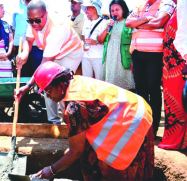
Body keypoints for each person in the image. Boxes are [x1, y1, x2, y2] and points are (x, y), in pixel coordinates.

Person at [24, 61, 154, 180]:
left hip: (133, 121)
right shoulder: (75, 81)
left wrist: (51, 170)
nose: (47, 96)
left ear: (60, 85)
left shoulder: (74, 108)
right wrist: (26, 87)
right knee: (89, 154)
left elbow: (76, 151)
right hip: (139, 107)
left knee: (117, 165)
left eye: (48, 91)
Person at [16, 0, 83, 125]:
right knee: (47, 83)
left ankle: (69, 121)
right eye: (30, 21)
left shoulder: (57, 29)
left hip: (71, 54)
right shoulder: (33, 21)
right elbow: (29, 41)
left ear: (45, 14)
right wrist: (25, 53)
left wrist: (27, 86)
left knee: (63, 84)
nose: (34, 24)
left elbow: (44, 66)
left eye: (37, 20)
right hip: (54, 54)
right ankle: (53, 121)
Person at [125, 0, 175, 135]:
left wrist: (139, 22)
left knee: (153, 89)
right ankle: (142, 127)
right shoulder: (140, 5)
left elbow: (159, 22)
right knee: (141, 90)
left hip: (155, 53)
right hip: (138, 53)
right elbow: (128, 23)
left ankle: (152, 129)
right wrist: (148, 19)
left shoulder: (166, 3)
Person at [158, 0, 187, 150]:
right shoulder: (176, 9)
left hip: (180, 65)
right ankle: (175, 139)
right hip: (169, 67)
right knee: (171, 103)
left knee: (181, 103)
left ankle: (179, 141)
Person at [98, 0, 135, 90]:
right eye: (112, 10)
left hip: (123, 58)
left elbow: (133, 42)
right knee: (111, 87)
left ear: (123, 10)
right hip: (110, 58)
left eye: (117, 10)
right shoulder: (108, 23)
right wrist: (107, 28)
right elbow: (100, 40)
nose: (114, 13)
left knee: (125, 87)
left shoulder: (129, 23)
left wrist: (133, 61)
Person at [12, 0, 44, 77]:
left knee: (38, 76)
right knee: (21, 77)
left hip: (36, 47)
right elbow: (14, 28)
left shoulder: (41, 4)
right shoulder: (17, 7)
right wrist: (14, 47)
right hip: (20, 48)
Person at [81, 0, 107, 79]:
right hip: (85, 56)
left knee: (99, 81)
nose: (85, 11)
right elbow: (83, 37)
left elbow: (106, 40)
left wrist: (95, 42)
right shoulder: (86, 22)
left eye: (87, 9)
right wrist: (84, 45)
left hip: (98, 57)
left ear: (95, 9)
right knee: (86, 81)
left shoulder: (104, 22)